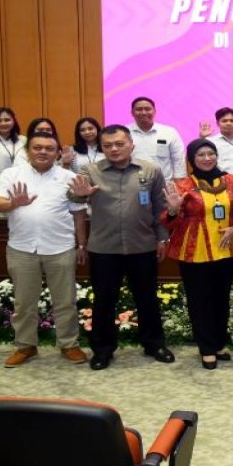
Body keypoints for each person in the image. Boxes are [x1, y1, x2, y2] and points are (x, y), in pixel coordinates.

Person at [67, 124, 175, 370]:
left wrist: (162, 238)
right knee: (104, 301)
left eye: (119, 144)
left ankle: (154, 344)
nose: (114, 149)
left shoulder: (150, 170)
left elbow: (160, 207)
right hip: (104, 249)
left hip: (143, 246)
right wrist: (80, 195)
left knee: (147, 298)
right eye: (107, 145)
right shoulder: (90, 170)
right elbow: (73, 200)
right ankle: (103, 350)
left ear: (131, 145)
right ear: (101, 148)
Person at [0, 131, 89, 368]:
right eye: (37, 147)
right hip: (21, 248)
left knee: (65, 301)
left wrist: (81, 244)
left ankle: (69, 344)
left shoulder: (68, 176)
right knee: (24, 302)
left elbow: (79, 214)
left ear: (57, 153)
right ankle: (25, 346)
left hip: (61, 247)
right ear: (28, 151)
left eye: (49, 148)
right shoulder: (11, 174)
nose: (43, 152)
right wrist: (14, 203)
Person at [162, 139, 233, 369]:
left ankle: (219, 344)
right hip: (193, 251)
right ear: (192, 159)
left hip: (226, 248)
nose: (207, 158)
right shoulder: (183, 185)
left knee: (221, 298)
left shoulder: (232, 181)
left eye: (211, 153)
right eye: (201, 155)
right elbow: (168, 222)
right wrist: (172, 209)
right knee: (200, 300)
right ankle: (206, 348)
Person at [128, 96, 186, 179]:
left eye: (147, 109)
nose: (143, 112)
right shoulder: (124, 133)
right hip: (133, 184)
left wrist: (180, 181)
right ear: (132, 113)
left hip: (163, 184)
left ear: (154, 111)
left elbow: (178, 159)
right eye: (139, 109)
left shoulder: (169, 132)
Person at [198, 107, 233, 174]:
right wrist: (202, 138)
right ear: (217, 123)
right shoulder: (209, 142)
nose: (228, 123)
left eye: (232, 120)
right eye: (224, 121)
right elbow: (198, 160)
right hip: (216, 182)